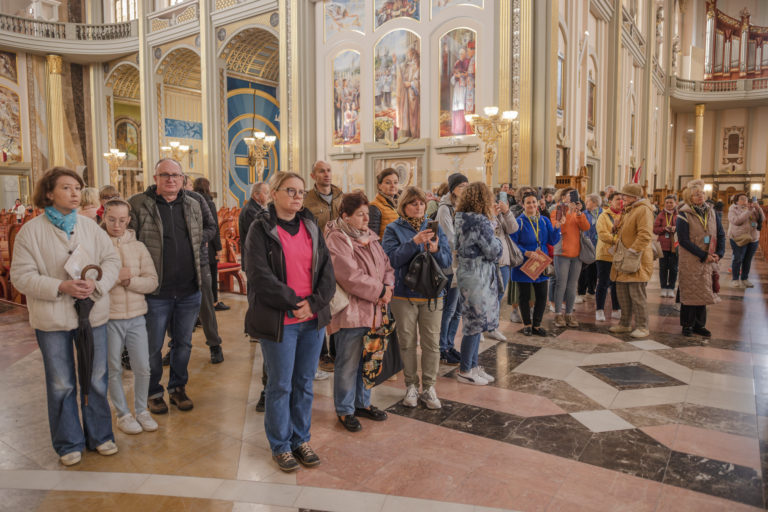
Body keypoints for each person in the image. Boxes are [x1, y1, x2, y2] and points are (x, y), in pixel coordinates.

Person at [11, 167, 121, 466]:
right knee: (61, 382)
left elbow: (111, 260)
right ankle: (68, 442)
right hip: (53, 319)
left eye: (77, 188)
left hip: (91, 315)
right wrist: (60, 285)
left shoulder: (90, 228)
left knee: (97, 377)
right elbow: (20, 276)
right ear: (49, 193)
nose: (75, 193)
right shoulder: (30, 232)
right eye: (66, 188)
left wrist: (96, 284)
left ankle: (100, 435)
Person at [244, 172, 335, 472]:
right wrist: (294, 303)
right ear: (273, 193)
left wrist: (313, 303)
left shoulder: (311, 225)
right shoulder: (261, 229)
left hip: (312, 319)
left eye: (301, 192)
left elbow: (326, 272)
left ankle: (300, 439)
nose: (298, 197)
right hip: (280, 319)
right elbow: (258, 275)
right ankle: (281, 445)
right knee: (280, 385)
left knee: (305, 383)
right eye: (291, 191)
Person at [128, 158, 204, 414]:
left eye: (176, 175)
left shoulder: (193, 204)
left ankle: (178, 388)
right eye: (165, 175)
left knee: (183, 344)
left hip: (188, 290)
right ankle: (153, 391)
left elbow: (198, 241)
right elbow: (128, 245)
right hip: (155, 292)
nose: (171, 179)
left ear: (183, 179)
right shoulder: (138, 204)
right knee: (152, 346)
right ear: (155, 178)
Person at [326, 192, 395, 432]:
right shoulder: (337, 238)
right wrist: (381, 291)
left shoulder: (370, 237)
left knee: (368, 359)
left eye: (367, 214)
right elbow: (349, 276)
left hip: (375, 309)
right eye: (360, 215)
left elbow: (387, 265)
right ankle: (345, 410)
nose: (366, 219)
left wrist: (388, 288)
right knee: (348, 363)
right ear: (345, 216)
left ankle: (362, 403)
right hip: (351, 313)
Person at [382, 186, 451, 409]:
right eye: (413, 203)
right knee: (407, 342)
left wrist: (435, 249)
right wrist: (413, 242)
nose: (418, 207)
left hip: (432, 294)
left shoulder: (435, 227)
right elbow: (390, 260)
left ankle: (429, 387)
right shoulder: (393, 228)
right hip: (403, 294)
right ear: (404, 206)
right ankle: (411, 385)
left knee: (432, 343)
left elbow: (447, 261)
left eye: (421, 203)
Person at [102, 199, 159, 435]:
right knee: (113, 368)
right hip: (109, 317)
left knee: (143, 367)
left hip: (136, 316)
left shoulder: (138, 247)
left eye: (123, 220)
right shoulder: (97, 246)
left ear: (129, 220)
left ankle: (141, 410)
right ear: (104, 217)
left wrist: (129, 281)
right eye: (112, 219)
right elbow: (91, 282)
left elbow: (152, 282)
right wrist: (115, 277)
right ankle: (122, 414)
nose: (117, 225)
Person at [454, 182, 503, 385]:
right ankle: (466, 369)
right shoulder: (480, 221)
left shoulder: (460, 217)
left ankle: (473, 365)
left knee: (476, 321)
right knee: (474, 324)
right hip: (478, 275)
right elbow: (494, 251)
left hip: (468, 272)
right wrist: (497, 238)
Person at [303, 160, 343, 377]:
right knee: (320, 302)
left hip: (340, 257)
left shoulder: (341, 196)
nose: (326, 174)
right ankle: (322, 353)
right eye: (321, 171)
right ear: (313, 175)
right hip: (316, 258)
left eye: (328, 170)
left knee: (339, 303)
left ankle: (337, 350)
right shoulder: (306, 200)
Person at [180, 176, 224, 364]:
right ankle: (175, 347)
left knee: (206, 305)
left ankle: (215, 345)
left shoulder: (198, 200)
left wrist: (195, 239)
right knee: (175, 309)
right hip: (174, 264)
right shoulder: (160, 203)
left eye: (178, 178)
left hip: (199, 261)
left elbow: (211, 227)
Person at [676, 180, 725, 337]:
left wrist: (720, 253)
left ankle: (699, 325)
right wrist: (703, 255)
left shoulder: (711, 212)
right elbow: (683, 240)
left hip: (709, 259)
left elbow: (721, 233)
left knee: (703, 291)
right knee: (690, 291)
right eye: (696, 194)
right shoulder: (683, 214)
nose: (700, 196)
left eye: (702, 193)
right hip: (691, 259)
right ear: (689, 197)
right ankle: (687, 325)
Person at [239, 181, 271, 411]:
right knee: (255, 298)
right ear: (259, 195)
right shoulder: (253, 212)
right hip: (258, 267)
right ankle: (253, 329)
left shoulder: (257, 209)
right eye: (268, 194)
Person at [511, 189, 561, 336]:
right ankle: (527, 324)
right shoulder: (518, 222)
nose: (532, 205)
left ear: (538, 203)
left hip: (540, 262)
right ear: (523, 204)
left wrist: (557, 227)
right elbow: (512, 243)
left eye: (534, 202)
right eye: (528, 203)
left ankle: (537, 325)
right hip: (524, 264)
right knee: (524, 296)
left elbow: (552, 240)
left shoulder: (544, 220)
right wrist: (526, 252)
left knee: (541, 295)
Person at [608, 184, 655, 339]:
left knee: (637, 295)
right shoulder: (629, 209)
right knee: (622, 293)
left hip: (636, 259)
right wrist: (616, 228)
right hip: (623, 258)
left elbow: (645, 234)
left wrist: (632, 251)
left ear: (635, 197)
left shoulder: (643, 210)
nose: (623, 198)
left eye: (626, 196)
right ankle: (625, 323)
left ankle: (643, 326)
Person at [436, 172, 468, 364]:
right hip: (450, 264)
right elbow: (449, 238)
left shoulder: (463, 206)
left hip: (462, 263)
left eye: (466, 185)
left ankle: (450, 344)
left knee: (458, 310)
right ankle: (442, 347)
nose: (463, 189)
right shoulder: (444, 209)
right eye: (460, 185)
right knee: (449, 309)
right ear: (452, 188)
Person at [551, 188, 590, 328]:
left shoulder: (577, 212)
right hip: (562, 252)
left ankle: (568, 314)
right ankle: (557, 314)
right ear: (563, 198)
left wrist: (579, 213)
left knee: (572, 285)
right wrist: (569, 212)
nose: (572, 198)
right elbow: (561, 229)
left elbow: (586, 227)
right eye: (569, 196)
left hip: (576, 253)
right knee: (561, 284)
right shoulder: (557, 210)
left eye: (574, 196)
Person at [487, 190, 519, 342]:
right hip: (488, 263)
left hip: (503, 261)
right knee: (485, 298)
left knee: (498, 296)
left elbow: (513, 229)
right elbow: (487, 234)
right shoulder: (481, 216)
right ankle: (480, 327)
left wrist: (507, 212)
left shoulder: (502, 215)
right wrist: (491, 215)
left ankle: (493, 327)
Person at [193, 177, 229, 311]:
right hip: (210, 245)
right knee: (212, 274)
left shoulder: (192, 200)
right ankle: (214, 302)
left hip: (198, 243)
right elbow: (214, 228)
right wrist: (219, 248)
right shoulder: (208, 202)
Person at [594, 192, 622, 322]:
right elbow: (603, 235)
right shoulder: (603, 216)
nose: (620, 201)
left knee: (617, 284)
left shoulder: (624, 215)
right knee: (603, 283)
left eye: (622, 199)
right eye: (617, 199)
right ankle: (599, 310)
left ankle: (616, 309)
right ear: (610, 201)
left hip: (619, 255)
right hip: (605, 254)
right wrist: (618, 240)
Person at [728, 193, 764, 289]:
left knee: (748, 260)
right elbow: (736, 221)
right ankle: (735, 279)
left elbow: (762, 219)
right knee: (738, 259)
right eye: (742, 199)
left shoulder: (752, 208)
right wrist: (748, 211)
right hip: (739, 238)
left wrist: (758, 208)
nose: (745, 201)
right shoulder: (733, 209)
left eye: (746, 199)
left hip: (753, 238)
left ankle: (745, 278)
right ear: (736, 201)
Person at [576, 193, 601, 303]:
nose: (585, 203)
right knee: (584, 269)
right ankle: (581, 292)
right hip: (586, 245)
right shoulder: (584, 214)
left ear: (595, 203)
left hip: (598, 245)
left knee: (594, 269)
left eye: (588, 201)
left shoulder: (602, 213)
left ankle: (591, 290)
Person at [653, 195, 679, 297]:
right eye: (667, 202)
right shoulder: (661, 215)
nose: (669, 204)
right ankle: (663, 287)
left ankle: (671, 288)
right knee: (663, 268)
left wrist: (675, 228)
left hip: (675, 245)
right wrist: (664, 229)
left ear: (675, 203)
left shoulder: (679, 215)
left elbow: (684, 228)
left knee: (674, 268)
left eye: (671, 202)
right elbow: (655, 230)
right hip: (662, 245)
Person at [368, 167, 400, 238]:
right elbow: (373, 238)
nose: (393, 185)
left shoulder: (401, 204)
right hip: (384, 248)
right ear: (379, 186)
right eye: (388, 182)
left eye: (395, 182)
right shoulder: (374, 206)